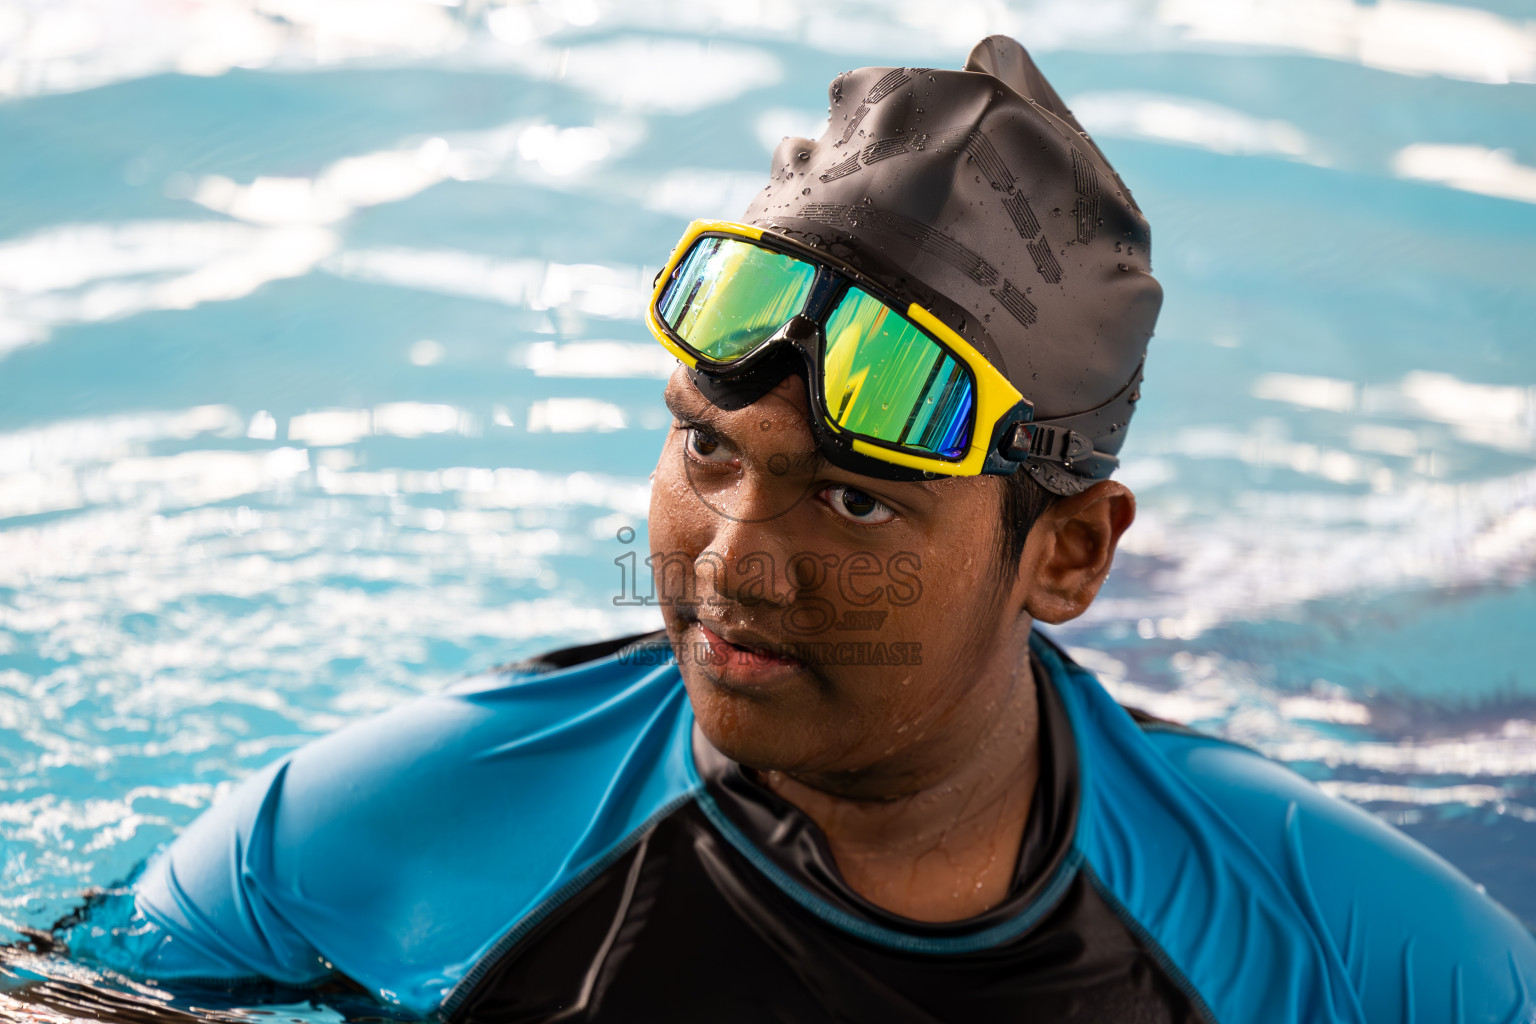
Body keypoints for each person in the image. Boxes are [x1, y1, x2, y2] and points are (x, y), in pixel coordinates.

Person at [69, 34, 1536, 1024]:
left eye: (854, 497)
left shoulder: (1375, 959)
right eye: (708, 450)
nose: (731, 565)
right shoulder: (356, 844)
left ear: (1069, 553)